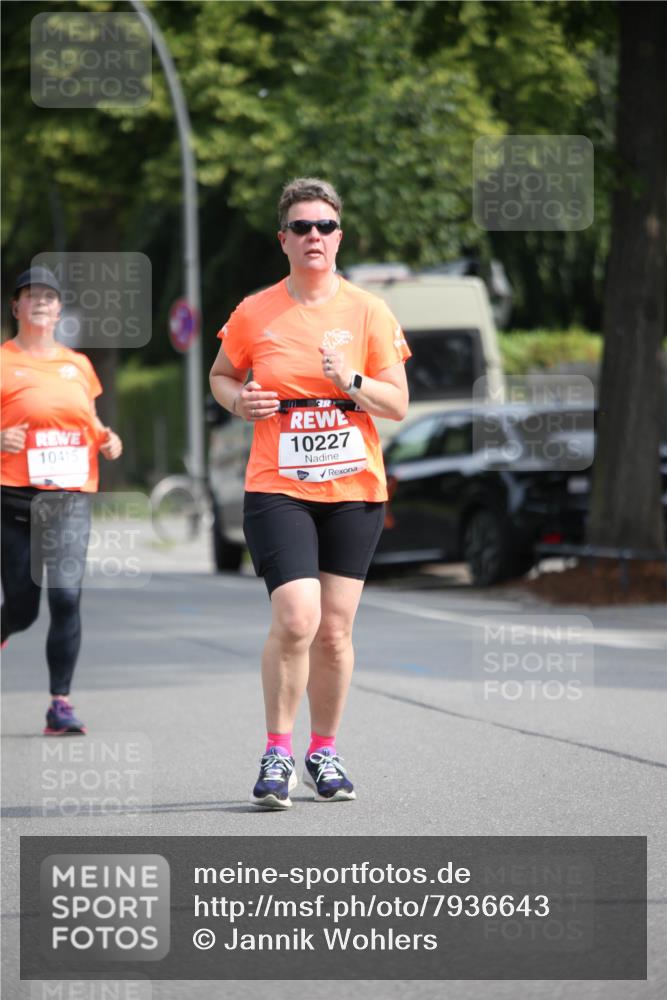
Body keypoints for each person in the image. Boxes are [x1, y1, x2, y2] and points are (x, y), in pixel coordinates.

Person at [209, 178, 411, 809]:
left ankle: (323, 751)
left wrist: (351, 379)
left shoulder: (369, 312)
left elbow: (398, 403)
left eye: (324, 226)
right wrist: (239, 400)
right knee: (298, 617)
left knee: (335, 632)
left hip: (353, 487)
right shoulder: (255, 311)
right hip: (279, 485)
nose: (314, 236)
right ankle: (276, 753)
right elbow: (220, 375)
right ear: (284, 240)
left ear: (339, 236)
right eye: (302, 227)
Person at [1, 266, 123, 734]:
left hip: (70, 495)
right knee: (22, 609)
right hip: (14, 499)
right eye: (31, 296)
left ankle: (60, 703)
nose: (40, 303)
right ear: (17, 307)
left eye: (49, 297)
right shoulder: (3, 360)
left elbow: (89, 422)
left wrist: (109, 441)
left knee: (67, 597)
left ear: (58, 310)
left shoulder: (79, 365)